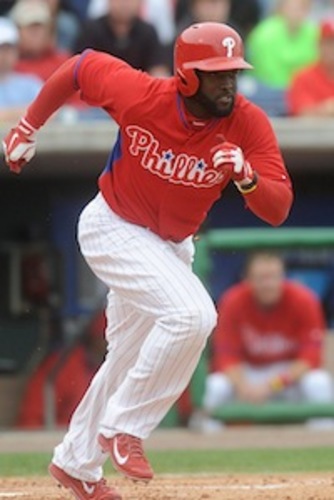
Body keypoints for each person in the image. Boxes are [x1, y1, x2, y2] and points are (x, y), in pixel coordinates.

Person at [2, 22, 293, 500]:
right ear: (186, 75)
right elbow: (78, 67)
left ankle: (76, 464)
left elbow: (278, 207)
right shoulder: (142, 94)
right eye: (215, 74)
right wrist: (29, 126)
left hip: (172, 245)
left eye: (233, 73)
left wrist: (246, 178)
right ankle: (125, 429)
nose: (228, 83)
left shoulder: (247, 122)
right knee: (193, 314)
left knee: (129, 357)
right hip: (113, 226)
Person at [192, 252, 334, 432]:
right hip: (248, 374)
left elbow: (310, 358)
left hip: (287, 375)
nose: (268, 284)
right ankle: (208, 447)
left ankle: (321, 444)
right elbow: (226, 356)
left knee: (319, 382)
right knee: (215, 385)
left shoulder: (304, 299)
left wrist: (271, 385)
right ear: (247, 279)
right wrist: (244, 386)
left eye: (273, 277)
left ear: (283, 277)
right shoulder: (233, 300)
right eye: (261, 278)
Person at [17, 310, 107, 428]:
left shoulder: (126, 369)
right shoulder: (64, 366)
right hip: (63, 441)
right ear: (97, 338)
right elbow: (31, 421)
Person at [74, 0, 169, 77]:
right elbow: (78, 68)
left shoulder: (148, 31)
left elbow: (158, 71)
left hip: (137, 93)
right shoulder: (91, 29)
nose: (124, 3)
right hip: (98, 92)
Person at [247, 0, 318, 89]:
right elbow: (268, 73)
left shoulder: (314, 33)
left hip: (305, 89)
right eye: (292, 8)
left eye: (302, 8)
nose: (296, 13)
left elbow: (315, 66)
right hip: (268, 90)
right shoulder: (264, 34)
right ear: (281, 8)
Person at [10, 0, 70, 81]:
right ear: (17, 31)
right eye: (30, 27)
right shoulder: (7, 64)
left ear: (49, 30)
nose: (36, 33)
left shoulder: (64, 63)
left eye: (40, 27)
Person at [288, 20, 334, 117]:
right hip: (317, 131)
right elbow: (303, 113)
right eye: (327, 43)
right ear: (318, 45)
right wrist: (328, 108)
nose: (330, 49)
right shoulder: (303, 77)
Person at [0, 17, 42, 122]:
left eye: (8, 49)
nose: (4, 55)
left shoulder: (30, 83)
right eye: (1, 49)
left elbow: (51, 113)